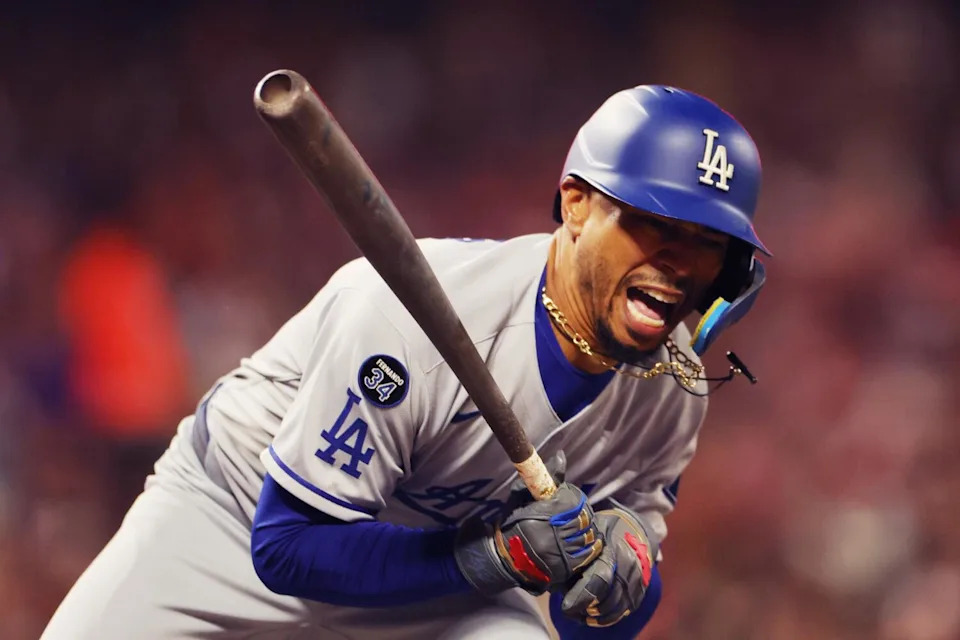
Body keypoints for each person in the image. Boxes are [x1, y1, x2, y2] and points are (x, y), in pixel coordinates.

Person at [42, 84, 770, 639]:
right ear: (575, 205)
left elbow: (591, 625)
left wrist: (622, 576)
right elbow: (287, 546)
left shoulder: (672, 394)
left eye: (707, 243)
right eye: (652, 223)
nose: (679, 263)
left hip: (437, 590)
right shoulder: (415, 315)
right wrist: (497, 558)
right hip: (230, 519)